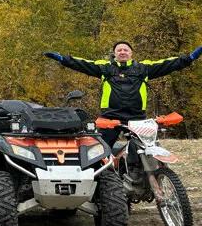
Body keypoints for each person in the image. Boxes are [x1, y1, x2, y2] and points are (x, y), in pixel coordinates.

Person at [44, 41, 202, 173]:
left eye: (125, 49)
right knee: (97, 151)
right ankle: (99, 182)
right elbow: (82, 64)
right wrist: (63, 59)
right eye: (119, 50)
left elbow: (168, 64)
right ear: (114, 54)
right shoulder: (105, 68)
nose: (122, 52)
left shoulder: (143, 68)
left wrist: (190, 57)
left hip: (137, 117)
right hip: (109, 117)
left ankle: (141, 176)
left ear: (131, 53)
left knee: (148, 149)